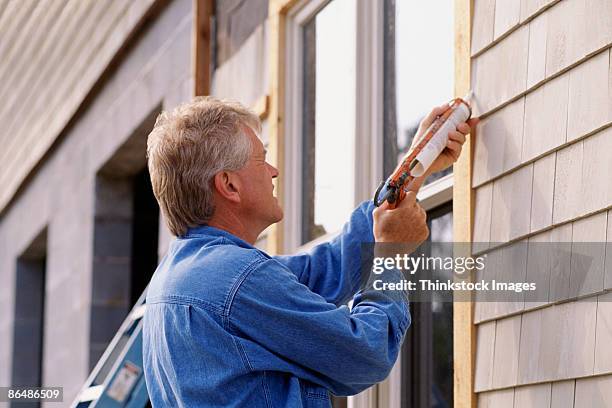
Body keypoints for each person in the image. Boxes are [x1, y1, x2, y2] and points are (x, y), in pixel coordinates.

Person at [142, 96, 474, 407]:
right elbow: (363, 354)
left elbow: (325, 271)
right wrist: (391, 256)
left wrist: (410, 170)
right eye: (261, 160)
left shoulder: (184, 276)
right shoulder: (238, 280)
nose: (273, 171)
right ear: (229, 185)